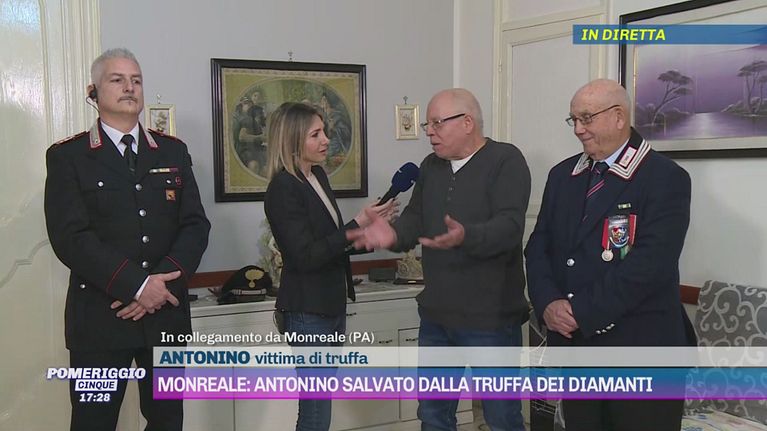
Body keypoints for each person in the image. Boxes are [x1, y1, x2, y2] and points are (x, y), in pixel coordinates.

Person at [44, 48, 211, 431]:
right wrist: (137, 286)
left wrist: (159, 286)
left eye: (136, 80)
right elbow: (70, 237)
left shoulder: (172, 151)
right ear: (93, 92)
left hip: (165, 315)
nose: (129, 87)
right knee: (93, 423)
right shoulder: (69, 156)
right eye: (117, 80)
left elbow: (195, 225)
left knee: (168, 422)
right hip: (100, 320)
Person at [347, 88, 530, 431]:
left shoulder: (505, 160)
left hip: (490, 319)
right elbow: (414, 219)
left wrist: (466, 236)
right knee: (433, 416)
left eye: (436, 123)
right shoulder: (430, 167)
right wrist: (392, 236)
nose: (429, 132)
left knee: (502, 418)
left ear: (467, 123)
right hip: (437, 317)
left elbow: (509, 227)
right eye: (426, 125)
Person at [524, 79, 695, 431]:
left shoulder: (665, 177)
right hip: (578, 350)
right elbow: (538, 246)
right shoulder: (563, 175)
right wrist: (548, 303)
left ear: (619, 117)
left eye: (586, 118)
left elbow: (650, 265)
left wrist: (580, 312)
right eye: (573, 119)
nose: (578, 129)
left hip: (642, 350)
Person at [263, 102, 397, 431]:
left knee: (320, 406)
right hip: (307, 310)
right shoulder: (283, 188)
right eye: (316, 134)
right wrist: (357, 223)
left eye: (324, 131)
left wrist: (367, 234)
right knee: (315, 411)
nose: (326, 140)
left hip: (331, 304)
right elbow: (305, 255)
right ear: (293, 140)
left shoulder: (318, 176)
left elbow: (329, 242)